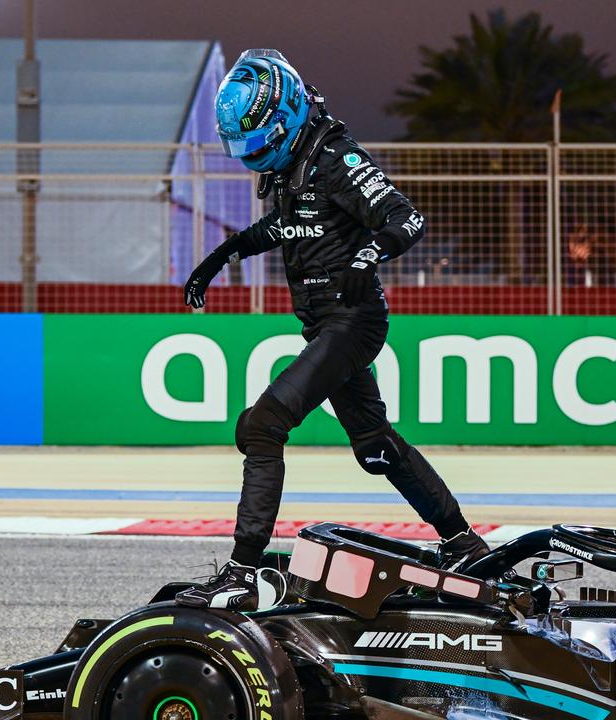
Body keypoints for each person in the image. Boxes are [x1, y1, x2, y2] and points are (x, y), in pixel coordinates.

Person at [174, 50, 489, 610]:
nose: (252, 158)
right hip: (325, 324)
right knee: (375, 448)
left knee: (263, 424)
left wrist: (367, 257)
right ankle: (462, 541)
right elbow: (291, 225)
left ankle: (243, 571)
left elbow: (405, 218)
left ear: (286, 115)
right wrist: (225, 252)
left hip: (352, 322)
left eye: (258, 141)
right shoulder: (294, 165)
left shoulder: (337, 158)